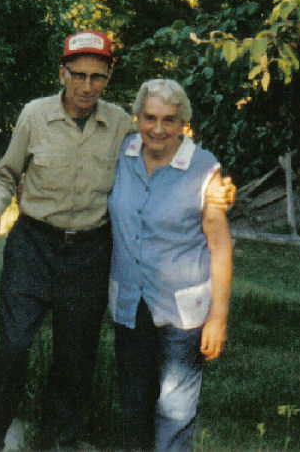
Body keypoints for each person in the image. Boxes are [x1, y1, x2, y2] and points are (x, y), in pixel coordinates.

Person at [0, 31, 235, 450]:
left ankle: (61, 441)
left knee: (75, 359)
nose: (88, 86)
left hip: (90, 252)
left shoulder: (121, 128)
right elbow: (5, 173)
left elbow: (166, 143)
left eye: (98, 76)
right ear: (63, 73)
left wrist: (216, 183)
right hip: (33, 245)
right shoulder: (34, 115)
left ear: (109, 77)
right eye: (79, 75)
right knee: (14, 345)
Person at [107, 79, 232, 451]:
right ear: (137, 117)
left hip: (184, 309)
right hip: (131, 302)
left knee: (174, 411)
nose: (157, 129)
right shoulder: (122, 153)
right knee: (133, 402)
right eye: (149, 118)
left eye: (169, 119)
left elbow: (221, 245)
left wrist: (219, 317)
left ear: (183, 123)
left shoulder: (203, 167)